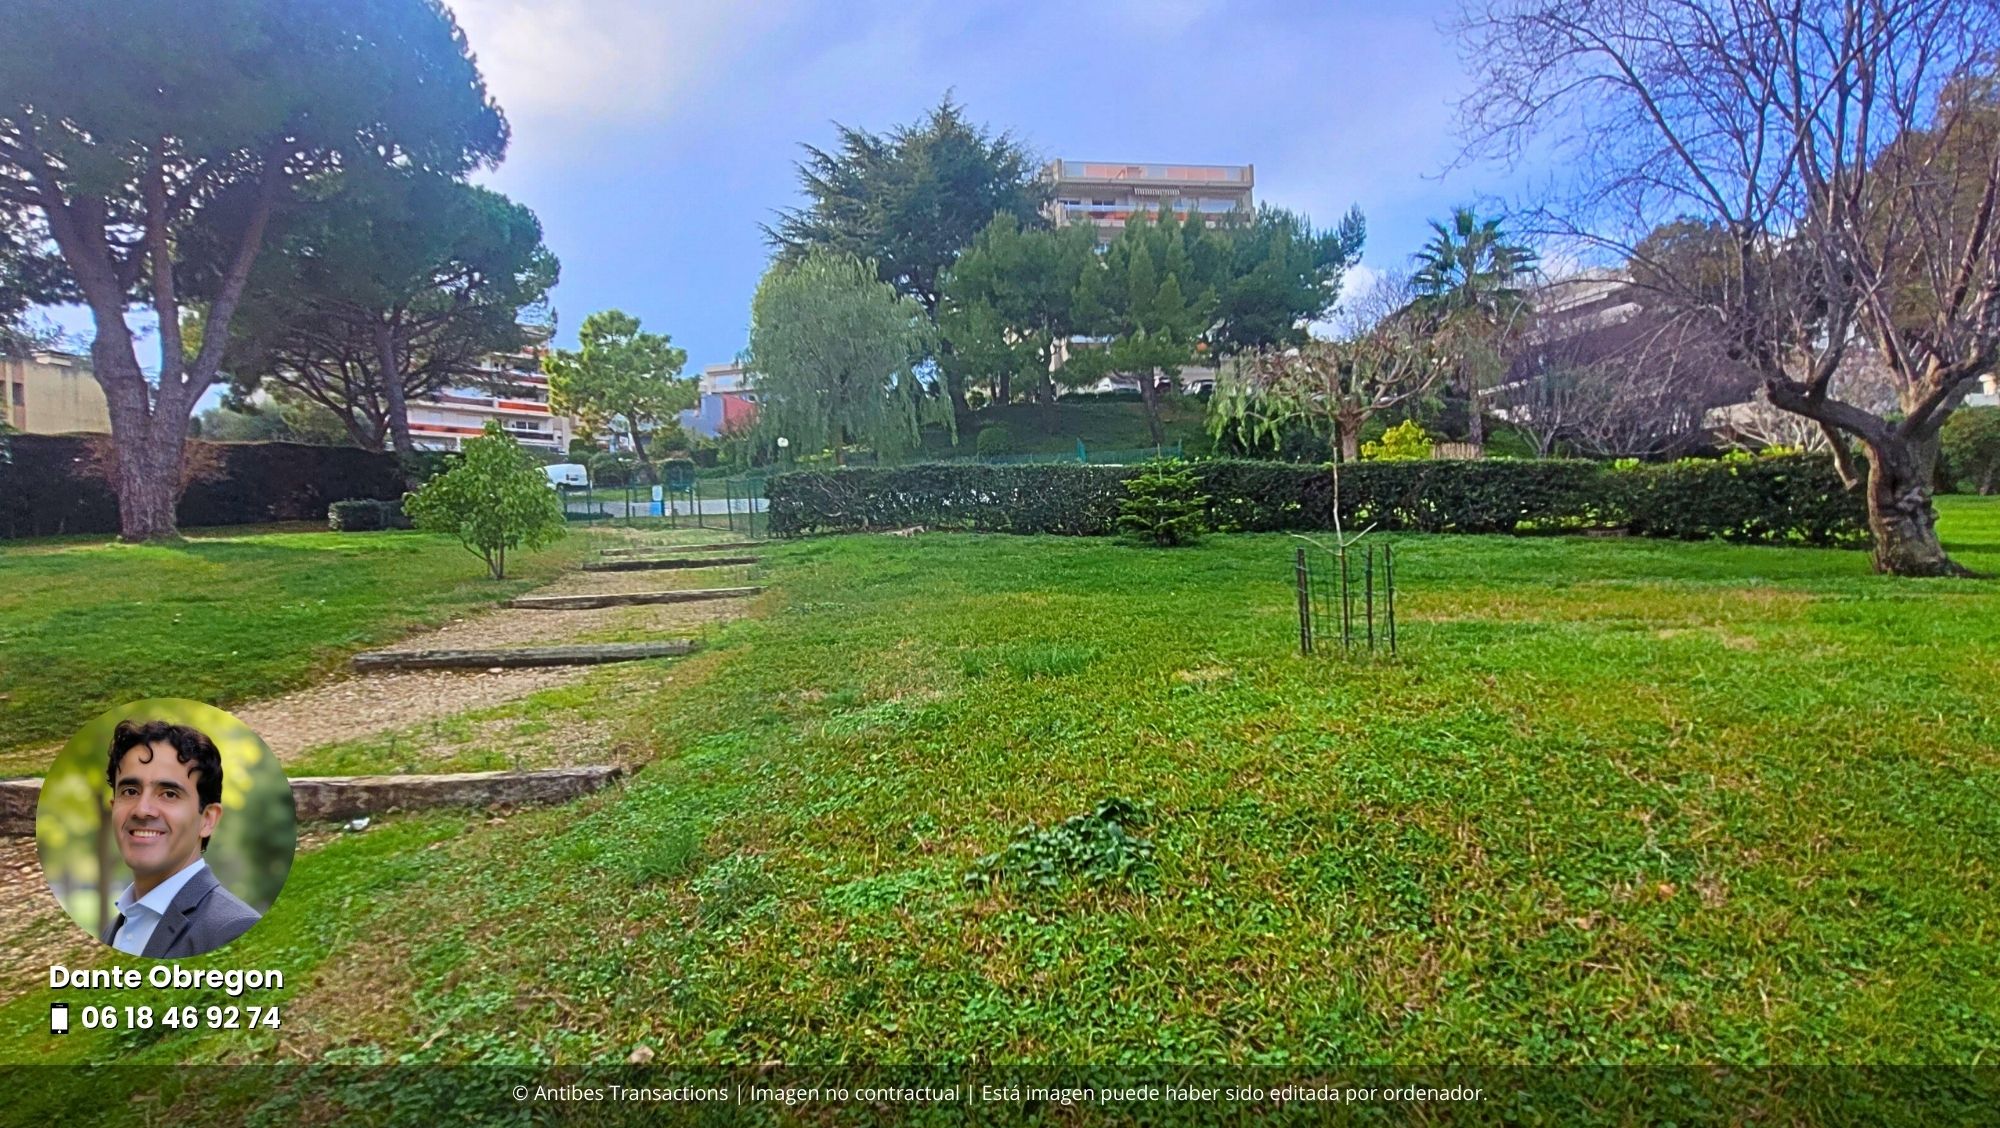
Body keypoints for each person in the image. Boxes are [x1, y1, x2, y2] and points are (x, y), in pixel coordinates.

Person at [100, 720, 260, 958]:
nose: (142, 810)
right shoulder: (114, 930)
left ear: (207, 819)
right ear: (114, 808)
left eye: (169, 794)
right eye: (130, 791)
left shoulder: (234, 930)